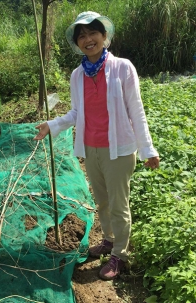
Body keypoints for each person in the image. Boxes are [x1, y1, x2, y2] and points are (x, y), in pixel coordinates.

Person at [33, 11, 159, 280]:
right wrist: (52, 124)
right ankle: (109, 240)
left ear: (104, 36)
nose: (88, 39)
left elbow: (136, 111)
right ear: (77, 43)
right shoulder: (77, 75)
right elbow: (77, 113)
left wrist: (147, 149)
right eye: (82, 36)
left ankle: (120, 255)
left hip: (119, 150)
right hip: (91, 148)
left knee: (118, 204)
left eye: (93, 33)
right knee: (101, 202)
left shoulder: (123, 68)